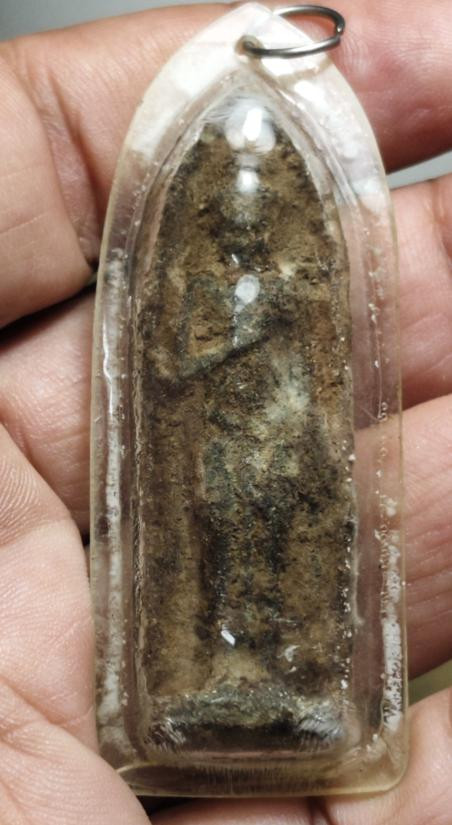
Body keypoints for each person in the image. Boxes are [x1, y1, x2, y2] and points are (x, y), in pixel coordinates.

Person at [0, 2, 451, 823]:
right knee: (218, 552)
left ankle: (288, 673)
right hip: (221, 445)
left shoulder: (297, 278)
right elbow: (173, 364)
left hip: (284, 438)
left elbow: (315, 363)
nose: (245, 226)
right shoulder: (201, 284)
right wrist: (220, 348)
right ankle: (214, 675)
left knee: (281, 548)